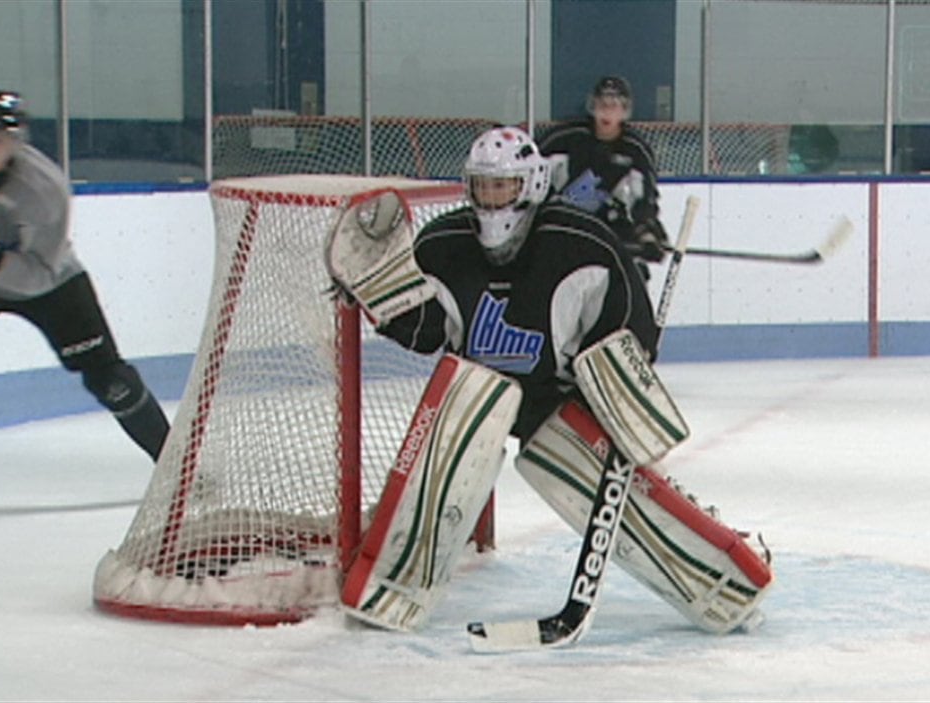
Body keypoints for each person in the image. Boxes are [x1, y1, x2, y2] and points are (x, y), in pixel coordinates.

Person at [331, 126, 772, 640]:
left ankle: (727, 579)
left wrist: (614, 406)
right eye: (483, 188)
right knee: (441, 456)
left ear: (534, 184)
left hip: (557, 399)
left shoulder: (581, 243)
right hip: (478, 389)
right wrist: (380, 299)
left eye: (505, 187)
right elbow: (430, 331)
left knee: (625, 502)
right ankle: (390, 584)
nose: (493, 202)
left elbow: (629, 334)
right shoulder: (443, 245)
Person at [0, 87, 170, 462]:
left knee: (110, 380)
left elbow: (41, 273)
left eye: (3, 138)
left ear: (18, 142)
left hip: (48, 283)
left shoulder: (46, 189)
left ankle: (176, 466)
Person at [537, 76, 669, 280]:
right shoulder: (566, 138)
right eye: (603, 104)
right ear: (593, 106)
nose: (607, 112)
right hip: (565, 232)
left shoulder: (635, 150)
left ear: (625, 111)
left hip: (611, 236)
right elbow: (532, 171)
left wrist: (647, 234)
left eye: (615, 106)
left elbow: (644, 201)